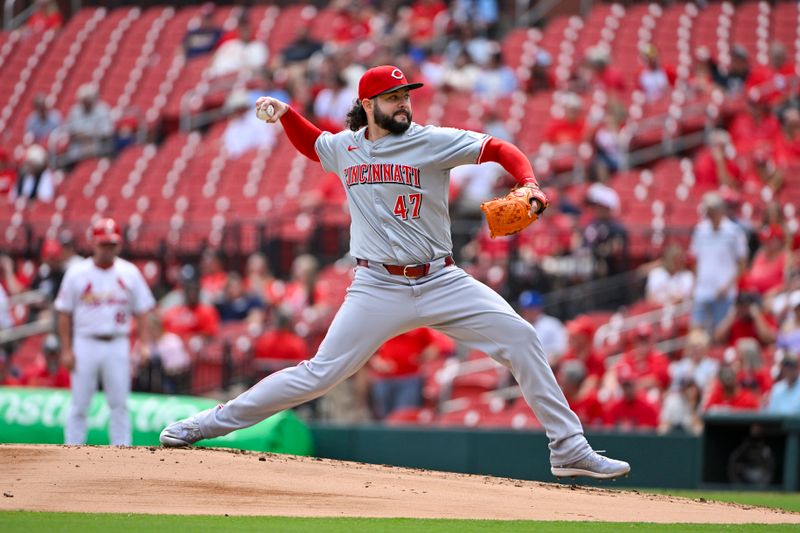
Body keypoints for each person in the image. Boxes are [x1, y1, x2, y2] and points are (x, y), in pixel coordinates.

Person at [160, 64, 630, 479]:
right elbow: (314, 145)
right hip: (376, 285)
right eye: (393, 98)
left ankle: (568, 449)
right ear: (367, 104)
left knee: (522, 339)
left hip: (441, 278)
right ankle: (205, 424)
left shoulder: (431, 141)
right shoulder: (347, 147)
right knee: (318, 375)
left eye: (406, 96)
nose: (403, 104)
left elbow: (498, 147)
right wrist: (286, 115)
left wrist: (528, 182)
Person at [54, 218, 155, 446]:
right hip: (85, 341)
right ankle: (72, 449)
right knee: (80, 403)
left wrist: (145, 343)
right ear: (93, 243)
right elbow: (64, 312)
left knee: (119, 403)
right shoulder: (77, 272)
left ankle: (122, 451)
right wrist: (67, 349)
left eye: (111, 244)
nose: (107, 249)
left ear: (118, 245)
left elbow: (143, 310)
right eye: (103, 244)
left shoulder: (129, 272)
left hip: (118, 341)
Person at [690, 192, 748, 335]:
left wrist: (727, 286)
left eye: (713, 209)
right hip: (702, 290)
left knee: (720, 333)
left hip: (725, 292)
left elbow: (742, 264)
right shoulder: (700, 230)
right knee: (696, 330)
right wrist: (697, 282)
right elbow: (694, 259)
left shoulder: (734, 232)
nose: (710, 213)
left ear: (721, 210)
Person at [66, 84, 113, 164]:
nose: (85, 103)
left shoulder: (102, 110)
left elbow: (107, 131)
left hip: (98, 144)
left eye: (87, 100)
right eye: (83, 101)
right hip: (79, 145)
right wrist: (89, 134)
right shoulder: (75, 111)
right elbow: (72, 131)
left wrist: (90, 135)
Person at [518, 290, 567, 363]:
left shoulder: (551, 323)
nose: (529, 312)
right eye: (526, 309)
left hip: (550, 364)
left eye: (532, 308)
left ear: (539, 308)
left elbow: (562, 347)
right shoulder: (519, 325)